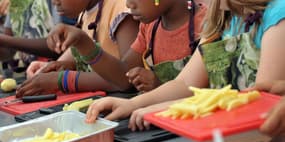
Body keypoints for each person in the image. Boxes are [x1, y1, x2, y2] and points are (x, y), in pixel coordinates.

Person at [77, 0, 285, 131]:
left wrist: (169, 108)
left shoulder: (278, 13)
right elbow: (185, 82)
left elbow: (260, 98)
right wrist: (132, 105)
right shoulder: (222, 18)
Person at [16, 0, 207, 96]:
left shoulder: (206, 25)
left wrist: (160, 87)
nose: (128, 3)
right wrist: (82, 43)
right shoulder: (149, 27)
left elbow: (209, 89)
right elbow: (124, 78)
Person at [15, 0, 140, 96]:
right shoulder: (85, 13)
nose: (54, 2)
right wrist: (57, 66)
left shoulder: (122, 9)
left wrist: (61, 79)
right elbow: (80, 50)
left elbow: (126, 79)